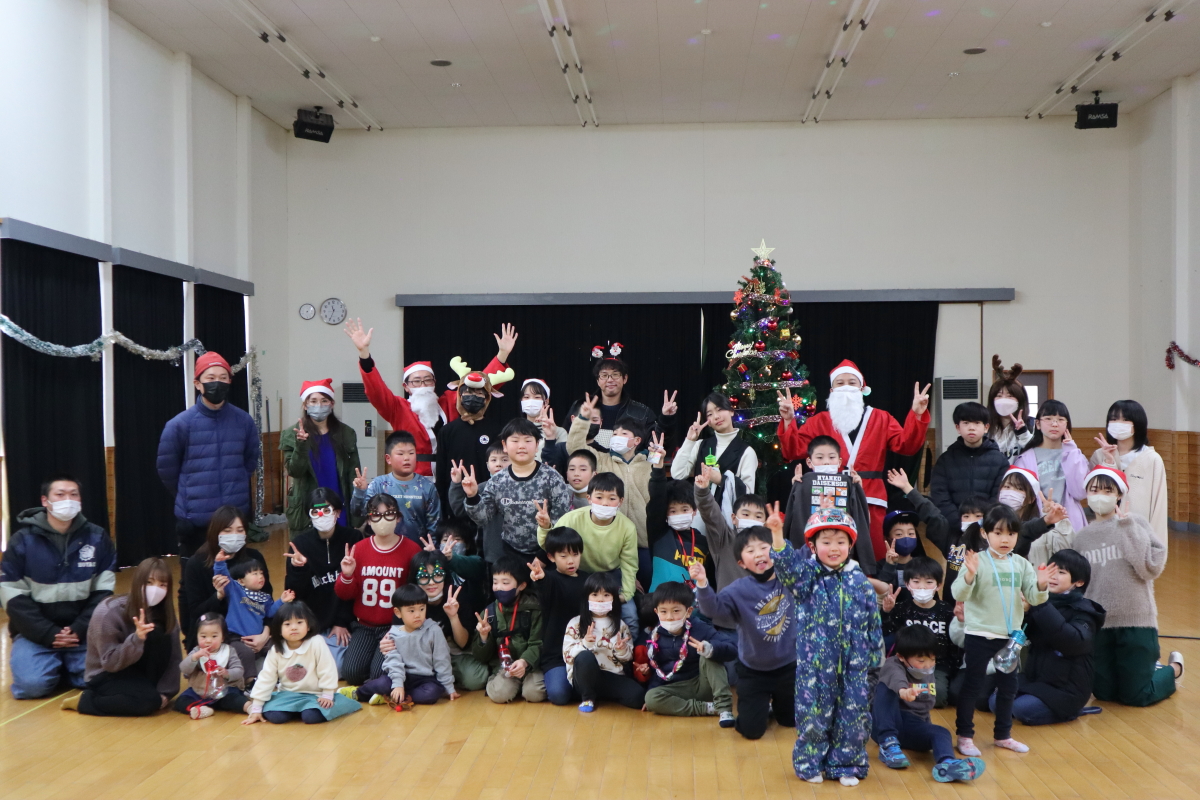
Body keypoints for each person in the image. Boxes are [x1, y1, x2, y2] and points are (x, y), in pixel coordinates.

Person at [769, 505, 882, 785]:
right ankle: (810, 764)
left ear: (850, 545)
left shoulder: (860, 581)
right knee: (813, 716)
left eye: (841, 542)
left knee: (854, 717)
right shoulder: (807, 577)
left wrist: (874, 660)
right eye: (826, 542)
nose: (834, 548)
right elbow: (788, 571)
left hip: (855, 667)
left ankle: (846, 765)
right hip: (816, 666)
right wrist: (777, 537)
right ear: (812, 546)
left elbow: (873, 622)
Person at [776, 360, 931, 560]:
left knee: (872, 553)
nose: (846, 387)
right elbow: (793, 450)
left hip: (871, 496)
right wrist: (789, 420)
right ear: (831, 390)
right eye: (840, 383)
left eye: (852, 382)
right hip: (828, 498)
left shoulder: (881, 418)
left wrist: (917, 414)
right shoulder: (819, 421)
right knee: (830, 551)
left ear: (862, 388)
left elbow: (907, 446)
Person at [345, 318, 518, 479]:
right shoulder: (398, 408)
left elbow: (478, 383)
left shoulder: (449, 401)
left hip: (450, 474)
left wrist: (502, 354)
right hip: (415, 476)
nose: (423, 385)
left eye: (427, 380)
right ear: (406, 387)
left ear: (434, 383)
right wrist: (364, 355)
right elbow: (376, 391)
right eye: (416, 381)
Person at [1, 475, 116, 700]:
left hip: (83, 633)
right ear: (45, 501)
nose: (68, 500)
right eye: (60, 494)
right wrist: (47, 633)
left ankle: (62, 666)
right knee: (32, 687)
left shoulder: (97, 537)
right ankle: (53, 664)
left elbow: (104, 593)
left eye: (74, 494)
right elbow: (12, 596)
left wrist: (79, 628)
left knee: (99, 681)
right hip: (35, 634)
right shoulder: (21, 541)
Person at [1075, 466, 1181, 706]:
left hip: (1136, 621)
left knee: (1136, 695)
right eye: (1094, 490)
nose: (1100, 496)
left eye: (1107, 491)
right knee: (1103, 692)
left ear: (1119, 495)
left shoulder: (1135, 523)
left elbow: (1151, 568)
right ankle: (1145, 669)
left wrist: (1128, 528)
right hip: (1100, 623)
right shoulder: (1081, 537)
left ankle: (1173, 669)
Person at [950, 504, 1049, 757]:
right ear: (985, 534)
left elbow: (1034, 598)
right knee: (972, 685)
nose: (1005, 539)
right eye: (998, 533)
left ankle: (1003, 735)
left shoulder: (1021, 564)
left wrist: (1041, 585)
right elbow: (958, 593)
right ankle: (964, 736)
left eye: (1011, 534)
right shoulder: (977, 561)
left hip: (1009, 638)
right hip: (979, 634)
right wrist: (970, 575)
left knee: (1008, 687)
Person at [693, 526, 797, 741]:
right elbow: (712, 609)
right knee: (751, 731)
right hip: (753, 670)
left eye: (764, 547)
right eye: (750, 551)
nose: (758, 554)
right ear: (741, 563)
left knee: (790, 721)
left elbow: (801, 553)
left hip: (789, 666)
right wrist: (702, 583)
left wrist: (778, 533)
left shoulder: (789, 577)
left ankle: (773, 705)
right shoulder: (737, 590)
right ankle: (760, 706)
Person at [157, 351, 261, 556]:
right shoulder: (179, 425)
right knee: (196, 574)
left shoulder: (244, 421)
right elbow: (167, 470)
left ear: (230, 381)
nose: (217, 383)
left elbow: (250, 462)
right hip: (195, 522)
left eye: (223, 378)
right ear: (198, 383)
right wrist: (189, 494)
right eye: (210, 378)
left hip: (234, 521)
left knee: (236, 573)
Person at [989, 549, 1105, 725]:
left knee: (1022, 709)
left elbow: (1072, 642)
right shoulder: (1040, 601)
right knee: (994, 702)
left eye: (1061, 572)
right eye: (1050, 570)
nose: (1053, 576)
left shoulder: (1085, 611)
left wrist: (1039, 604)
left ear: (1079, 582)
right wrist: (1023, 611)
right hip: (1036, 680)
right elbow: (1022, 633)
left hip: (1067, 688)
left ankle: (1071, 712)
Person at [61, 558, 181, 717]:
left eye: (162, 585)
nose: (155, 589)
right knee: (148, 702)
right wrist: (136, 639)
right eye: (149, 582)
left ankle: (143, 692)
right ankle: (85, 701)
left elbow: (174, 658)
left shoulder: (165, 614)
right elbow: (109, 663)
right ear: (138, 582)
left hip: (137, 672)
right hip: (106, 674)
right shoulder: (109, 611)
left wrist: (166, 693)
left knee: (159, 636)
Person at [873, 626, 985, 783]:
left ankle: (947, 764)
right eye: (921, 661)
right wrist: (903, 691)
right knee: (885, 687)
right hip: (888, 722)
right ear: (901, 657)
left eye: (932, 659)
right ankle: (888, 744)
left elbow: (925, 707)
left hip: (913, 726)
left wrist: (928, 730)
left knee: (942, 732)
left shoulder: (928, 671)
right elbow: (895, 677)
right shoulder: (893, 664)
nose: (928, 665)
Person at [334, 493, 422, 685]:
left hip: (395, 627)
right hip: (364, 626)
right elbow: (345, 594)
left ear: (398, 518)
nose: (383, 520)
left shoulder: (412, 549)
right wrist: (347, 575)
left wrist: (405, 627)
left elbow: (416, 595)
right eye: (376, 515)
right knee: (351, 673)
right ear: (368, 520)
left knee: (379, 674)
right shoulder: (358, 549)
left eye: (389, 514)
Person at [536, 474, 639, 629]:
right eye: (599, 497)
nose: (605, 503)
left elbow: (629, 564)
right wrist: (545, 528)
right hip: (576, 573)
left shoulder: (627, 527)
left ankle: (626, 645)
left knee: (630, 615)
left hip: (610, 575)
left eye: (612, 498)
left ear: (620, 501)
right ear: (589, 498)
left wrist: (626, 594)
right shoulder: (571, 519)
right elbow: (551, 545)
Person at [462, 418, 574, 560]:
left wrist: (543, 557)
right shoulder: (497, 481)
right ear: (505, 445)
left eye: (528, 440)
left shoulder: (552, 478)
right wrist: (472, 496)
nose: (521, 446)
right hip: (509, 553)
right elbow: (482, 518)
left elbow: (563, 522)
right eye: (515, 441)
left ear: (537, 445)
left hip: (547, 554)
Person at [179, 506, 273, 673]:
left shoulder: (254, 559)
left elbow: (267, 603)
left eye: (240, 530)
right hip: (217, 641)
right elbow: (195, 612)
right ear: (215, 532)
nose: (234, 535)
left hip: (255, 635)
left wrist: (265, 635)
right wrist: (219, 596)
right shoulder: (197, 564)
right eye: (227, 531)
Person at [340, 584, 459, 707]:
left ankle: (392, 696)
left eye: (422, 609)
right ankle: (358, 693)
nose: (417, 615)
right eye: (411, 611)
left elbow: (442, 660)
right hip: (398, 676)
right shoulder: (393, 634)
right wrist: (398, 684)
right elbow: (393, 662)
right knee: (382, 683)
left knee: (432, 692)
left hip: (425, 679)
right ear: (398, 612)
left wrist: (449, 687)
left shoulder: (434, 630)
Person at [283, 488, 361, 673]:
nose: (321, 516)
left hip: (342, 622)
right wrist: (298, 569)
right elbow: (293, 593)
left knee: (337, 669)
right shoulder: (299, 544)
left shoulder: (353, 538)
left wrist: (342, 621)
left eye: (327, 510)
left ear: (338, 512)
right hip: (310, 623)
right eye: (315, 511)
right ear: (310, 515)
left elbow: (357, 585)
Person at [243, 601, 360, 725]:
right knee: (275, 717)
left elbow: (327, 669)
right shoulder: (276, 649)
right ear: (279, 629)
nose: (294, 627)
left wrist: (327, 695)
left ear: (308, 626)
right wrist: (256, 707)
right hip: (287, 695)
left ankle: (308, 709)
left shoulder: (317, 642)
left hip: (316, 695)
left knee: (310, 717)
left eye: (299, 622)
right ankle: (296, 710)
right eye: (287, 624)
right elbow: (266, 677)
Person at [567, 393, 655, 557]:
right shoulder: (601, 460)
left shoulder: (649, 467)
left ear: (637, 441)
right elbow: (574, 446)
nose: (617, 437)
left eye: (624, 434)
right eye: (615, 433)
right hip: (609, 543)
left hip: (644, 543)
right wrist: (583, 419)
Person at [389, 549, 488, 692]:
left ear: (445, 575)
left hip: (452, 653)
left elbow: (463, 644)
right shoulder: (406, 599)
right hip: (417, 654)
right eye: (424, 577)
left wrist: (453, 617)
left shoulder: (456, 595)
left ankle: (438, 680)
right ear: (415, 578)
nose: (431, 582)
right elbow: (397, 637)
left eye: (437, 575)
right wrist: (388, 643)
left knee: (475, 679)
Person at [639, 581, 736, 726]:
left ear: (688, 611)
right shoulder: (654, 636)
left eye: (676, 611)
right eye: (663, 612)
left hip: (703, 683)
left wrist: (710, 648)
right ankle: (708, 708)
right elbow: (658, 671)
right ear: (656, 612)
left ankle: (724, 709)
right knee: (651, 697)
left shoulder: (700, 628)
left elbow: (733, 649)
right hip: (678, 687)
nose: (669, 617)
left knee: (708, 654)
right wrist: (652, 689)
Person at [887, 469, 987, 605]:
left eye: (978, 516)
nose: (971, 520)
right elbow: (933, 515)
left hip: (980, 609)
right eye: (966, 516)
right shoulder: (953, 540)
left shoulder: (993, 546)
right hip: (952, 607)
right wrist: (907, 487)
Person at [782, 437, 876, 574]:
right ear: (809, 462)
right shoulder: (802, 482)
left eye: (831, 457)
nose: (826, 462)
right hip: (808, 560)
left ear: (839, 462)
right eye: (819, 457)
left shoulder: (850, 484)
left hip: (841, 560)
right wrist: (797, 487)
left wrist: (858, 490)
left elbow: (863, 521)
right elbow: (792, 517)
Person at [279, 378, 361, 535]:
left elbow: (353, 474)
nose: (319, 405)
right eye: (313, 401)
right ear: (305, 405)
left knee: (341, 546)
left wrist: (356, 516)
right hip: (308, 507)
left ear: (332, 404)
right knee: (310, 547)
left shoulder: (346, 433)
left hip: (339, 503)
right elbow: (295, 471)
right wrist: (301, 445)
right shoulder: (291, 434)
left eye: (324, 401)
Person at [435, 358, 518, 501]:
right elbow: (441, 472)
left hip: (489, 499)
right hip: (455, 501)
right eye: (467, 393)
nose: (472, 397)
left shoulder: (498, 431)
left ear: (487, 398)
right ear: (460, 396)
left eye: (479, 394)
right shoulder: (447, 431)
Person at [1090, 399, 1169, 550]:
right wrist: (1109, 461)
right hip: (1106, 537)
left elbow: (1159, 507)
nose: (1118, 423)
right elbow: (1096, 496)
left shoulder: (1152, 459)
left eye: (1125, 419)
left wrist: (1157, 547)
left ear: (1137, 424)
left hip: (1139, 538)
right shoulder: (1099, 456)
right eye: (1114, 419)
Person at [880, 557, 958, 707]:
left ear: (938, 585)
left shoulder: (947, 610)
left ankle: (907, 692)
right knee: (887, 686)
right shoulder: (901, 608)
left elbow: (953, 644)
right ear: (907, 584)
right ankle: (906, 692)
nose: (922, 587)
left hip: (936, 666)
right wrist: (886, 612)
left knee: (939, 694)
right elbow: (886, 631)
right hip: (905, 665)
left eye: (929, 582)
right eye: (916, 582)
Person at [562, 572, 642, 712]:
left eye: (606, 595)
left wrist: (621, 650)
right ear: (587, 597)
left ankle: (602, 695)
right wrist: (585, 644)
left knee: (638, 696)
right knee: (585, 657)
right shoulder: (575, 623)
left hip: (611, 677)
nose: (600, 600)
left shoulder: (620, 625)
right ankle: (587, 698)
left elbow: (628, 657)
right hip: (584, 679)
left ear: (613, 598)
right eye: (595, 594)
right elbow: (567, 656)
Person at [471, 557, 546, 704]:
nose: (499, 587)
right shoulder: (488, 614)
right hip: (505, 667)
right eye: (495, 582)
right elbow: (481, 657)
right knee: (499, 695)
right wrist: (483, 637)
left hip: (532, 665)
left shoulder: (534, 609)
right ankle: (501, 682)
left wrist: (525, 662)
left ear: (521, 585)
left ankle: (524, 684)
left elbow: (538, 643)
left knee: (534, 693)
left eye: (505, 583)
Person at [528, 528, 590, 706]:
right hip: (556, 654)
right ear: (551, 557)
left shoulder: (588, 580)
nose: (571, 561)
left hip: (585, 649)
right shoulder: (551, 579)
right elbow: (545, 585)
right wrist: (540, 578)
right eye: (563, 556)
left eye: (575, 554)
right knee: (558, 695)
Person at [351, 430, 441, 544]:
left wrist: (432, 551)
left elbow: (434, 526)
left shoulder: (427, 487)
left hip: (418, 550)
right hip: (384, 548)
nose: (407, 458)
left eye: (411, 453)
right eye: (401, 454)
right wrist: (360, 491)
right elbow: (358, 513)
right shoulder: (378, 484)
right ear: (388, 458)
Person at [1013, 400, 1090, 532]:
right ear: (1038, 424)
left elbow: (1080, 492)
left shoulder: (1075, 454)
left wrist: (1071, 452)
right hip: (1037, 522)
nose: (1054, 424)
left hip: (1070, 522)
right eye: (1048, 419)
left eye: (1060, 419)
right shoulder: (1025, 458)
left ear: (1067, 425)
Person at [928, 401, 1008, 523]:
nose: (971, 427)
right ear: (958, 428)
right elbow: (940, 495)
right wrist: (959, 521)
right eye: (966, 423)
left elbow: (999, 495)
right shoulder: (945, 460)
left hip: (989, 525)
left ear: (986, 427)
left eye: (977, 423)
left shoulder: (1000, 460)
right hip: (953, 525)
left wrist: (985, 520)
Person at [588, 349, 678, 451]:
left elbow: (656, 445)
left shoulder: (642, 413)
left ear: (625, 379)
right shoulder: (582, 409)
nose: (610, 379)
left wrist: (666, 419)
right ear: (598, 380)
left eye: (615, 374)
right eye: (604, 375)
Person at [671, 392, 759, 496]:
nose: (716, 416)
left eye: (720, 409)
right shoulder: (700, 445)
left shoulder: (747, 452)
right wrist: (689, 440)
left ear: (731, 411)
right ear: (708, 422)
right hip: (700, 506)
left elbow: (748, 494)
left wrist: (721, 480)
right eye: (710, 414)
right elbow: (677, 474)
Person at [174, 612, 251, 719]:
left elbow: (239, 671)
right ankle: (199, 709)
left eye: (214, 636)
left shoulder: (229, 651)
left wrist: (226, 673)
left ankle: (249, 707)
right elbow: (184, 669)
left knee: (234, 699)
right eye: (203, 636)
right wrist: (194, 658)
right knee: (181, 701)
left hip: (225, 691)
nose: (208, 640)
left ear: (223, 637)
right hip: (200, 692)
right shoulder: (196, 651)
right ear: (197, 636)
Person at [695, 480, 767, 591]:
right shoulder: (724, 538)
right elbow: (711, 514)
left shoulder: (770, 547)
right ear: (733, 518)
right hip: (727, 602)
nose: (751, 519)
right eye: (746, 514)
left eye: (758, 516)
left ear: (765, 522)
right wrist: (703, 492)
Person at [645, 475, 712, 591]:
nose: (679, 514)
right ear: (665, 513)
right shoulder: (659, 533)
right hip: (662, 599)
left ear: (694, 511)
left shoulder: (704, 542)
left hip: (694, 600)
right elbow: (656, 501)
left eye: (685, 509)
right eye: (673, 511)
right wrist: (658, 469)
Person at [448, 442, 509, 564]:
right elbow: (461, 511)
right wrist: (456, 483)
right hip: (489, 553)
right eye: (494, 460)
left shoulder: (521, 486)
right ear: (487, 465)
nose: (499, 464)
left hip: (517, 553)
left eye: (504, 459)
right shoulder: (481, 488)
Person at [213, 552, 295, 639]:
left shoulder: (265, 597)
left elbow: (269, 613)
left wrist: (281, 600)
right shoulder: (235, 589)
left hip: (258, 637)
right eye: (255, 574)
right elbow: (223, 577)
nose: (261, 576)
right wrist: (219, 563)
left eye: (261, 573)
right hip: (235, 637)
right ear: (241, 581)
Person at [994, 466, 1069, 557]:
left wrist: (1053, 518)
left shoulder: (1042, 526)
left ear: (1031, 499)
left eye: (1019, 489)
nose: (1011, 492)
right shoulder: (990, 523)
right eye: (1007, 487)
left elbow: (1066, 548)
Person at [986, 356, 1032, 462]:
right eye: (999, 395)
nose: (1004, 400)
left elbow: (1036, 452)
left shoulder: (1032, 424)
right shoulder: (985, 426)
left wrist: (1023, 432)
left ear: (1020, 399)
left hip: (1021, 472)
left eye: (1010, 396)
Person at [874, 510, 929, 590]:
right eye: (899, 534)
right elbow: (880, 592)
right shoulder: (879, 566)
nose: (906, 538)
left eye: (911, 533)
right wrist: (889, 565)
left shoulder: (924, 565)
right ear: (887, 539)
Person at [519, 378, 567, 463]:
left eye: (537, 397)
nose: (531, 401)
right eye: (526, 397)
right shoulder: (515, 430)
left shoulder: (559, 432)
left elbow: (561, 461)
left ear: (546, 401)